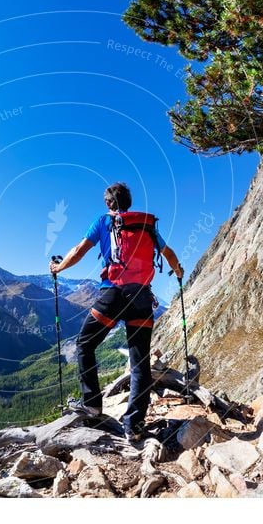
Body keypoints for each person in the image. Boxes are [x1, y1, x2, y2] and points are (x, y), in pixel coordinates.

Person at [49, 182, 183, 442]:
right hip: (142, 297)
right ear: (128, 202)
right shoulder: (147, 225)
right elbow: (168, 253)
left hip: (113, 294)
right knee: (140, 362)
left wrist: (58, 268)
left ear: (108, 203)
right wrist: (178, 271)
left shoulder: (103, 222)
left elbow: (79, 251)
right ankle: (133, 425)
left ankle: (92, 405)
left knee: (85, 344)